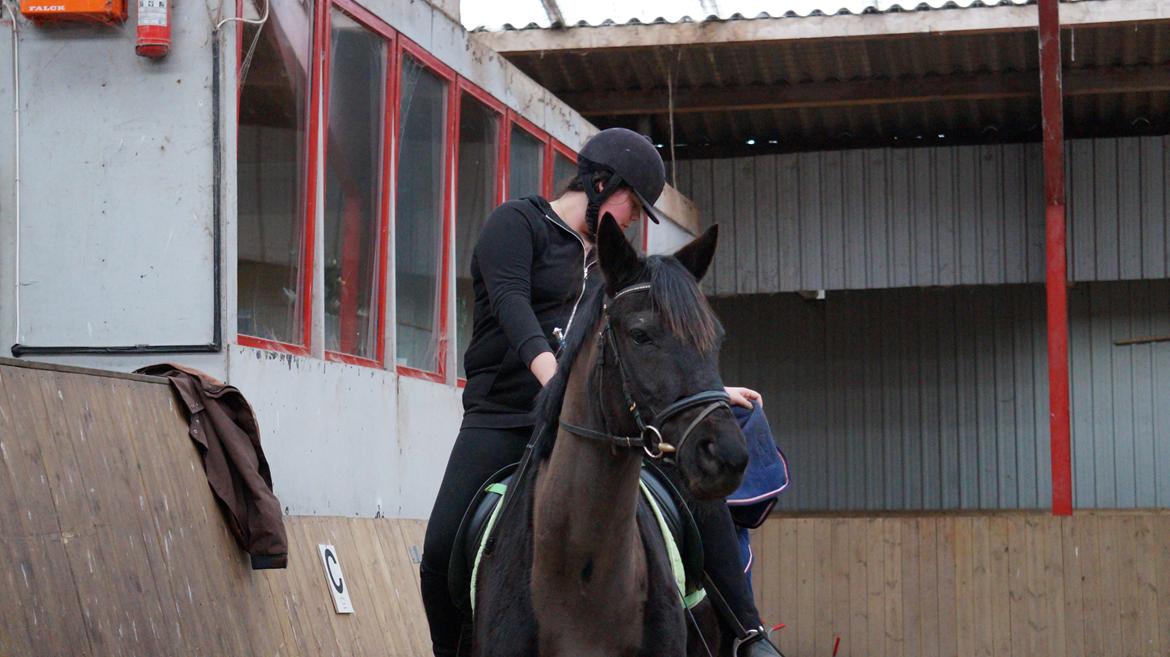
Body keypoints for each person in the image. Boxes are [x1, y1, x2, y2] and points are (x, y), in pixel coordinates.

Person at [419, 127, 782, 657]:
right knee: (442, 545)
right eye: (633, 203)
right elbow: (514, 311)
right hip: (504, 419)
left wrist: (704, 394)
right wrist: (557, 385)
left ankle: (750, 636)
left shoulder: (615, 264)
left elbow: (645, 346)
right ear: (600, 181)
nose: (634, 218)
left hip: (600, 424)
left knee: (700, 504)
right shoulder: (515, 225)